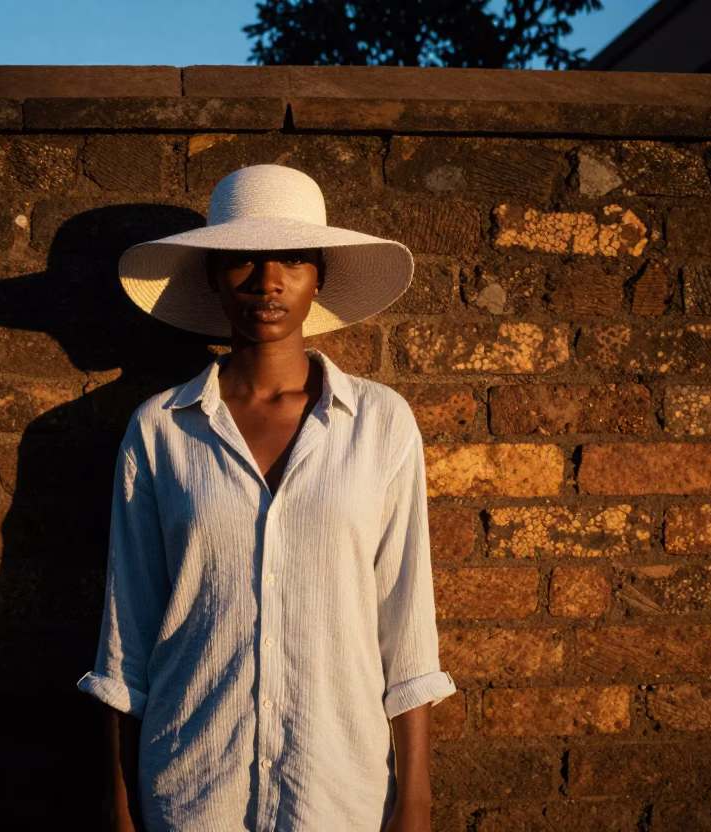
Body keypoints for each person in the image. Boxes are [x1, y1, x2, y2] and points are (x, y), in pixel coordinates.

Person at [77, 164, 456, 832]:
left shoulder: (379, 423)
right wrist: (118, 801)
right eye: (242, 258)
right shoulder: (161, 429)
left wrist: (416, 801)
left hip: (339, 789)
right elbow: (125, 629)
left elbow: (407, 625)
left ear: (319, 278)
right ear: (213, 276)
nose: (267, 280)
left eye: (293, 259)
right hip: (193, 786)